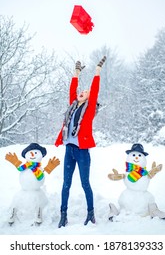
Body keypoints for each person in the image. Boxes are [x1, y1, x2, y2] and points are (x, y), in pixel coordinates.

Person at [55, 56, 106, 228]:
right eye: (80, 91)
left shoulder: (89, 109)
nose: (81, 92)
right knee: (66, 184)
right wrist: (76, 73)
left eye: (85, 91)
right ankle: (63, 215)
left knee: (85, 183)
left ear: (89, 96)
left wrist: (97, 71)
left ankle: (90, 213)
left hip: (82, 151)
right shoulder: (73, 106)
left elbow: (95, 89)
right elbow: (72, 90)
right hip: (69, 149)